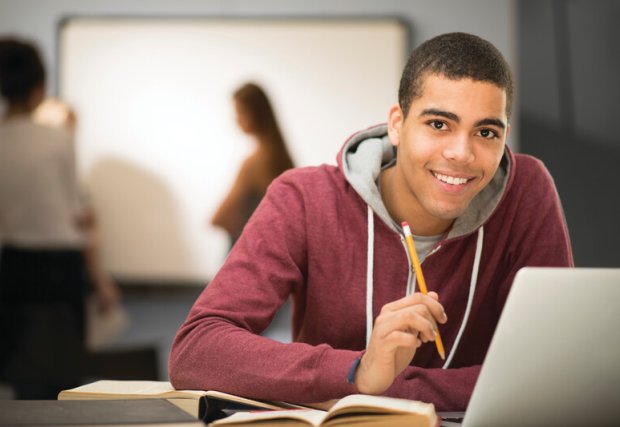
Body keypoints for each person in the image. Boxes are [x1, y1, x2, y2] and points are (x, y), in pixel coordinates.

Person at [169, 32, 573, 411]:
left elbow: (552, 374)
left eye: (486, 132)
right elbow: (196, 351)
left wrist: (382, 387)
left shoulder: (527, 191)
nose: (461, 153)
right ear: (397, 123)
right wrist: (358, 370)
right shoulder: (304, 197)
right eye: (438, 124)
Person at [0, 37, 120, 398]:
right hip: (61, 269)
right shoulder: (58, 140)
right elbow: (76, 215)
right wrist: (100, 280)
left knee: (24, 377)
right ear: (40, 84)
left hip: (16, 268)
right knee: (64, 381)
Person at [211, 83, 294, 246]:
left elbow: (218, 218)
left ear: (256, 114)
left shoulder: (254, 162)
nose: (236, 120)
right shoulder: (284, 159)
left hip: (246, 251)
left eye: (239, 112)